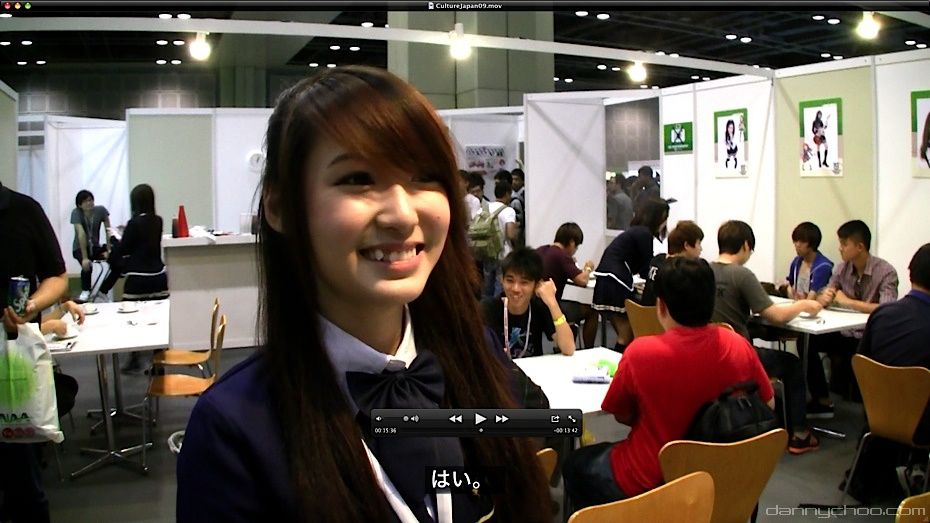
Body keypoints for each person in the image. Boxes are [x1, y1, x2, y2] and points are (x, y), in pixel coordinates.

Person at [176, 66, 551, 522]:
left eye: (424, 177)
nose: (402, 214)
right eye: (357, 178)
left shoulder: (477, 354)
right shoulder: (234, 428)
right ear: (280, 207)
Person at [562, 257, 774, 509]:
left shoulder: (641, 353)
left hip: (650, 481)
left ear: (661, 305)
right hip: (720, 479)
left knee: (575, 464)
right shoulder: (738, 344)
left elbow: (621, 414)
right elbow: (768, 402)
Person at [710, 220, 823, 453]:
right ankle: (800, 433)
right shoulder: (742, 275)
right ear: (745, 245)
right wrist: (803, 305)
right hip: (739, 356)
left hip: (712, 353)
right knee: (792, 364)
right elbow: (777, 316)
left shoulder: (705, 271)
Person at [1, 181, 68, 523]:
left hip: (15, 363)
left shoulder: (23, 211)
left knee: (23, 483)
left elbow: (57, 276)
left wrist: (32, 306)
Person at [808, 220, 898, 416]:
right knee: (807, 342)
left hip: (868, 336)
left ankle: (873, 414)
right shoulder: (841, 269)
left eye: (844, 244)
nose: (840, 248)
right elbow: (828, 292)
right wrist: (825, 298)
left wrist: (849, 302)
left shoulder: (886, 272)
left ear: (860, 247)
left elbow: (887, 309)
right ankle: (822, 399)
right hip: (844, 332)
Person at [98, 183, 168, 374]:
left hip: (138, 279)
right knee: (158, 321)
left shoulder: (134, 223)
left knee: (132, 320)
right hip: (159, 276)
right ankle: (159, 363)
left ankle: (134, 359)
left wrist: (114, 238)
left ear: (135, 202)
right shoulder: (158, 221)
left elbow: (124, 249)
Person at [592, 197, 668, 351]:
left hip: (607, 280)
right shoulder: (644, 234)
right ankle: (622, 362)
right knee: (626, 333)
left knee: (625, 332)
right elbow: (646, 268)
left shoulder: (635, 231)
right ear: (659, 217)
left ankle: (621, 361)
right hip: (616, 281)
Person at [482, 247, 576, 358]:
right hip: (500, 367)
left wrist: (552, 302)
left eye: (524, 282)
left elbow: (568, 348)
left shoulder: (539, 307)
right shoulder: (489, 308)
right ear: (502, 280)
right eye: (510, 280)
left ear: (537, 285)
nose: (516, 289)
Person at [537, 222, 600, 348]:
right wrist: (588, 268)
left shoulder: (541, 250)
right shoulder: (562, 255)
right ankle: (589, 349)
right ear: (571, 243)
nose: (575, 251)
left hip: (536, 304)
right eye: (577, 247)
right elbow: (582, 280)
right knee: (592, 311)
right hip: (551, 306)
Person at [639, 220, 704, 306]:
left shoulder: (657, 260)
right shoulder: (679, 271)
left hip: (644, 313)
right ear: (687, 245)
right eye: (698, 243)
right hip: (663, 314)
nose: (701, 249)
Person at [70, 189, 111, 302]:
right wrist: (84, 258)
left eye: (91, 200)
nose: (89, 203)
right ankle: (85, 290)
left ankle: (103, 290)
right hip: (80, 248)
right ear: (79, 205)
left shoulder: (101, 210)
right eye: (85, 201)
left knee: (116, 261)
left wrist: (109, 249)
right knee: (88, 265)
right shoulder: (76, 213)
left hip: (95, 247)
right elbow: (81, 233)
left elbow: (108, 230)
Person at [480, 180, 518, 299]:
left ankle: (485, 309)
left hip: (486, 252)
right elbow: (510, 234)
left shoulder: (483, 209)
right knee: (500, 287)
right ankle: (497, 309)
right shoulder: (508, 211)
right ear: (507, 194)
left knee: (487, 288)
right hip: (503, 254)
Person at [784, 221, 834, 300]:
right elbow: (790, 284)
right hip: (796, 302)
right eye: (795, 241)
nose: (797, 245)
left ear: (812, 243)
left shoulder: (823, 266)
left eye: (802, 242)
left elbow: (812, 297)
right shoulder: (797, 261)